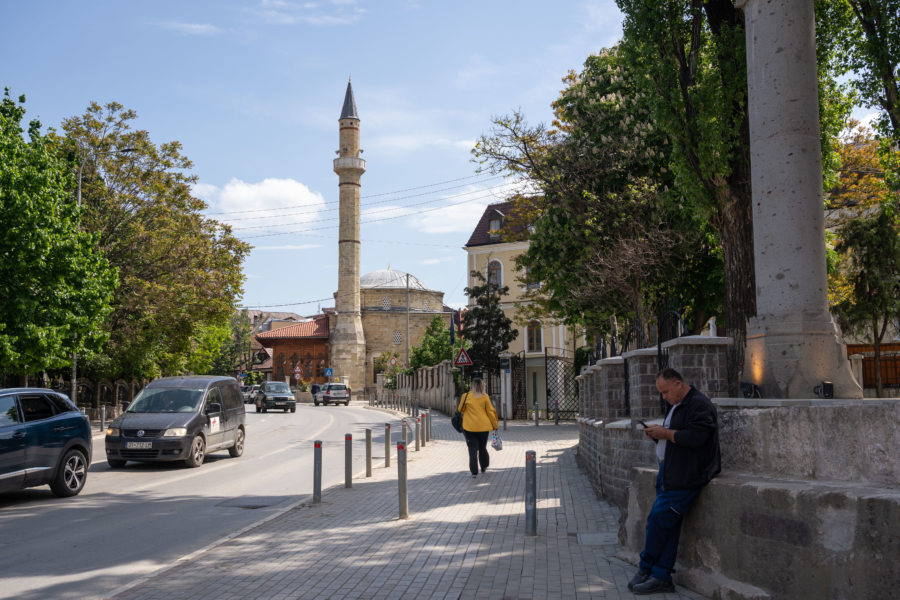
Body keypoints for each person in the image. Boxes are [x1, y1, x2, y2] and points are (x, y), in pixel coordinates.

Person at [628, 368, 721, 595]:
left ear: (678, 384)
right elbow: (674, 437)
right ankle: (661, 576)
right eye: (661, 393)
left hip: (686, 476)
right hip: (669, 473)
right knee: (668, 524)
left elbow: (697, 438)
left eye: (665, 392)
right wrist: (657, 435)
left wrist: (666, 434)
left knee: (658, 520)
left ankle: (646, 567)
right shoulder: (676, 404)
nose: (664, 397)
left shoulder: (699, 405)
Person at [457, 375, 498, 478]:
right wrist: (495, 426)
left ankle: (474, 472)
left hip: (469, 427)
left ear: (472, 386)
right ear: (482, 386)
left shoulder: (465, 396)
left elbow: (460, 410)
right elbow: (490, 412)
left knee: (472, 449)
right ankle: (484, 466)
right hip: (483, 427)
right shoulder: (485, 397)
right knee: (482, 448)